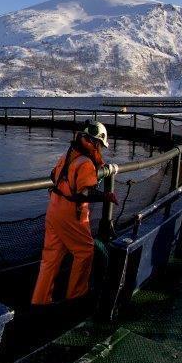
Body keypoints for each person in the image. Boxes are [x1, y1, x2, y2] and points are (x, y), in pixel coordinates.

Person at [31, 120, 119, 305]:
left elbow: (53, 175)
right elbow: (85, 192)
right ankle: (76, 298)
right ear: (93, 142)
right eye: (99, 145)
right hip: (71, 214)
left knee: (50, 259)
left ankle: (39, 302)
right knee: (85, 251)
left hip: (53, 208)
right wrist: (107, 196)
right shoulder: (86, 163)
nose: (100, 149)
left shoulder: (67, 155)